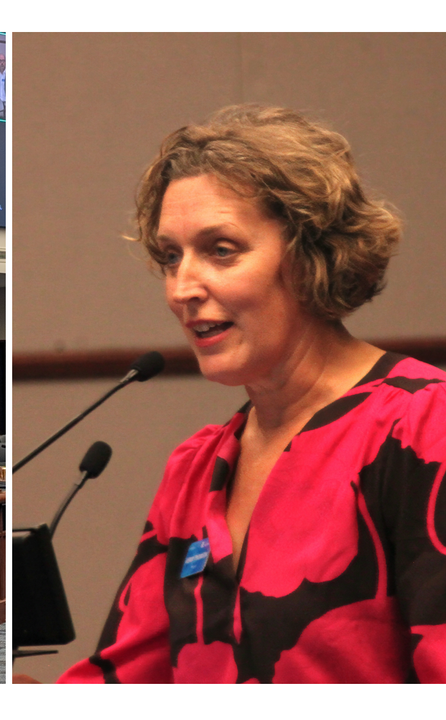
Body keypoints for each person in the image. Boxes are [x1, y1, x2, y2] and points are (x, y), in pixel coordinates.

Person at [57, 105, 443, 683]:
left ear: (312, 255)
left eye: (221, 250)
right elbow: (132, 680)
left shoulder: (420, 425)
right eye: (170, 256)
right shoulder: (197, 467)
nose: (182, 288)